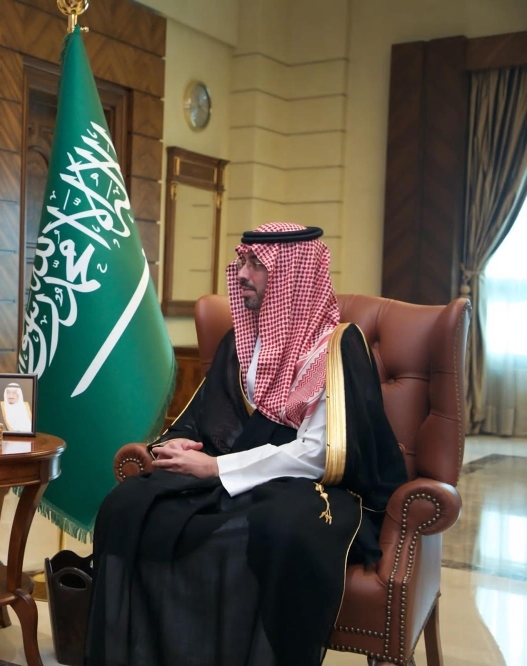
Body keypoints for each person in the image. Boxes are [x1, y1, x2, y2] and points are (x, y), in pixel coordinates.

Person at [86, 223, 408, 666]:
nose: (241, 274)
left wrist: (217, 469)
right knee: (127, 504)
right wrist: (181, 446)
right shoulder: (240, 339)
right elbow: (204, 415)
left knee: (276, 528)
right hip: (233, 471)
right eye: (243, 261)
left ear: (292, 274)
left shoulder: (336, 348)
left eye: (257, 264)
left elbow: (320, 453)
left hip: (311, 484)